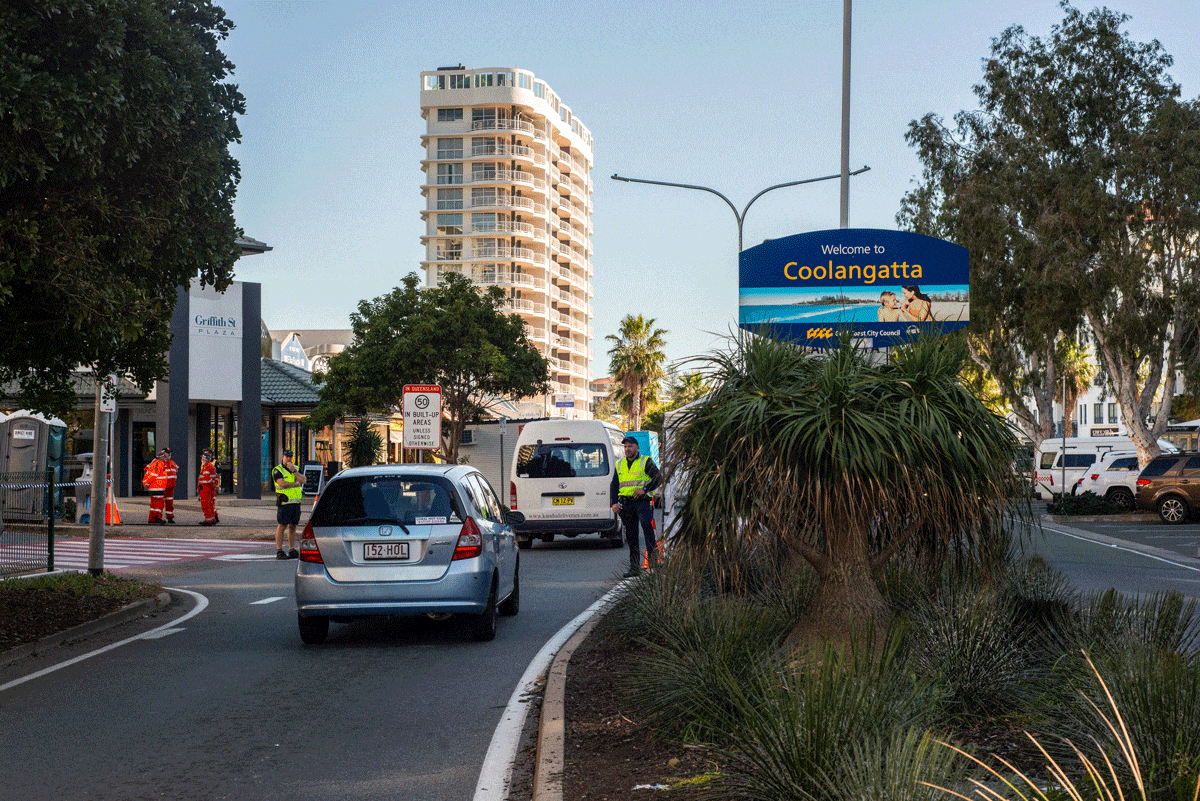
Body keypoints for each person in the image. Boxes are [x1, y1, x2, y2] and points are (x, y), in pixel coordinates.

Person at [610, 435, 662, 578]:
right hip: (626, 504)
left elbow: (659, 478)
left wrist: (645, 490)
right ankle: (634, 568)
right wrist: (613, 503)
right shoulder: (619, 464)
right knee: (631, 536)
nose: (627, 449)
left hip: (642, 502)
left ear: (637, 447)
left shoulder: (645, 461)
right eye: (625, 446)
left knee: (647, 528)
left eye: (630, 446)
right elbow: (614, 484)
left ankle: (653, 564)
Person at [272, 449, 304, 559]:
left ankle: (291, 549)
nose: (289, 458)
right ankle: (279, 550)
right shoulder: (277, 470)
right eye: (287, 456)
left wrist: (294, 471)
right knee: (282, 526)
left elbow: (304, 480)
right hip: (285, 502)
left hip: (295, 502)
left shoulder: (296, 468)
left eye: (290, 456)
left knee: (293, 526)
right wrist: (295, 484)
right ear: (283, 457)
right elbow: (282, 484)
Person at [143, 449, 170, 525]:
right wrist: (147, 483)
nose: (166, 458)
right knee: (159, 504)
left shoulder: (154, 463)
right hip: (158, 487)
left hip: (154, 487)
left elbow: (149, 474)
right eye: (165, 457)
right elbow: (153, 475)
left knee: (153, 504)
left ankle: (151, 518)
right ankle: (157, 518)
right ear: (162, 457)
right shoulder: (159, 464)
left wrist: (146, 483)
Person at [197, 448, 219, 526]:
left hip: (206, 488)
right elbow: (215, 477)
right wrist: (215, 486)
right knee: (210, 504)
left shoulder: (206, 466)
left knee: (206, 504)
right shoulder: (211, 466)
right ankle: (212, 519)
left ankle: (208, 520)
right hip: (209, 488)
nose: (201, 459)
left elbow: (207, 478)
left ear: (204, 459)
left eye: (202, 458)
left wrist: (213, 486)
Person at [160, 447, 178, 523]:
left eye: (170, 453)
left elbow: (177, 468)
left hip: (171, 486)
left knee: (169, 503)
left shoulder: (172, 462)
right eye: (168, 453)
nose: (169, 454)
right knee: (160, 503)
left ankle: (170, 517)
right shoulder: (160, 462)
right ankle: (158, 517)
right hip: (163, 486)